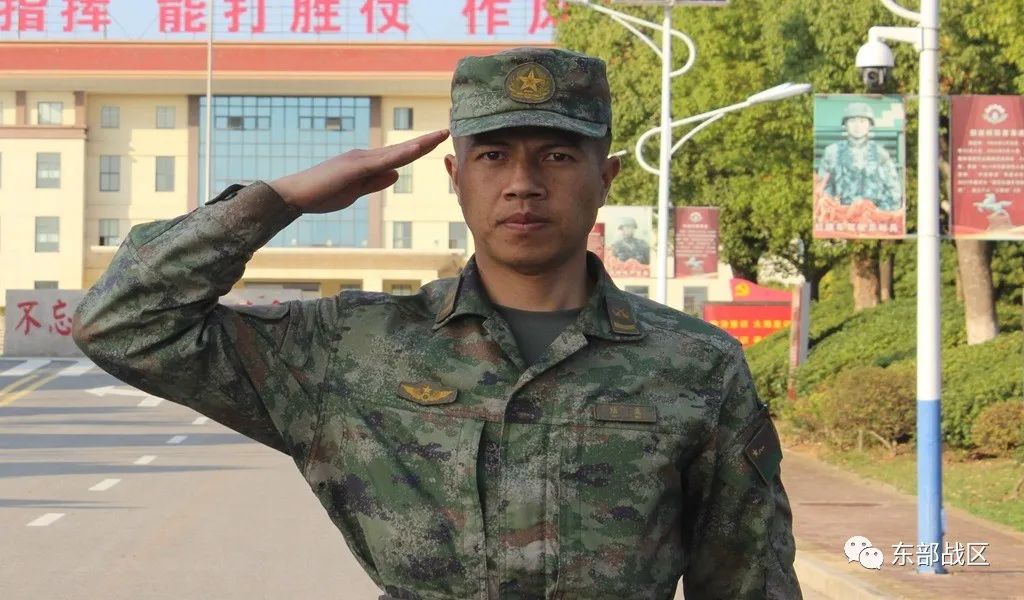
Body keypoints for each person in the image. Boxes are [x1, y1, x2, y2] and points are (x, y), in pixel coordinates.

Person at [73, 47, 800, 600]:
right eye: (493, 156)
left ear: (604, 177)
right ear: (455, 177)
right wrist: (280, 199)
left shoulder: (695, 365)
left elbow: (748, 581)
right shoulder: (353, 348)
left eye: (556, 155)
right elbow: (121, 323)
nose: (523, 184)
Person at [816, 102, 903, 213]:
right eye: (852, 121)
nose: (857, 126)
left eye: (862, 121)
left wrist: (881, 212)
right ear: (845, 124)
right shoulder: (832, 152)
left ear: (870, 125)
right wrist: (834, 210)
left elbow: (894, 190)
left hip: (875, 215)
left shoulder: (881, 154)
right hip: (841, 215)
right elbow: (823, 188)